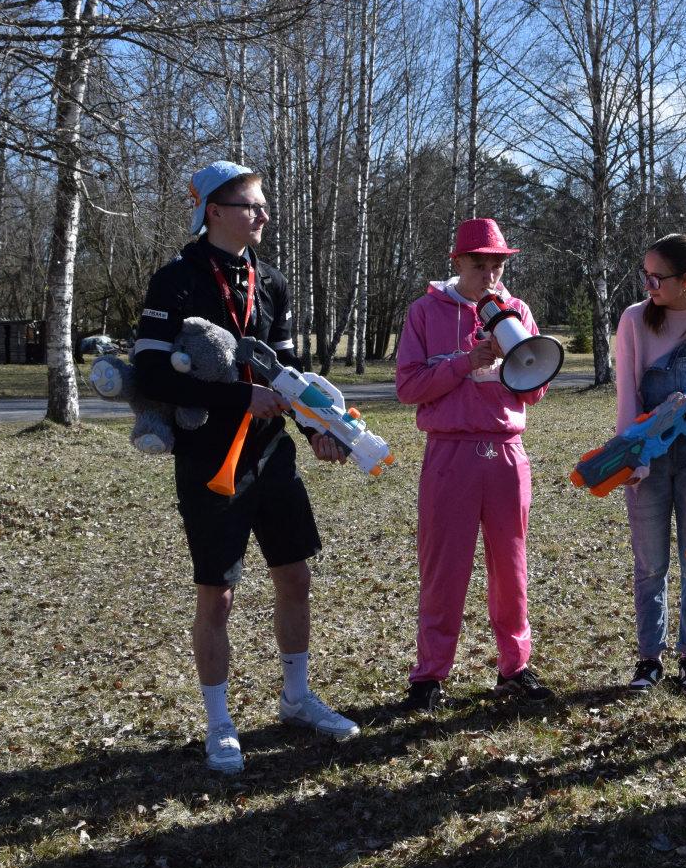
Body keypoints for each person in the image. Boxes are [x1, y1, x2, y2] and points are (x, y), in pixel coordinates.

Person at [133, 161, 359, 775]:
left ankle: (296, 698)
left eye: (263, 205)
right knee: (219, 595)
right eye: (251, 206)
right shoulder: (176, 280)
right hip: (209, 459)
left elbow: (286, 375)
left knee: (296, 577)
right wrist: (240, 397)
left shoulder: (271, 281)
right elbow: (150, 375)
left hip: (270, 453)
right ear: (214, 210)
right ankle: (219, 723)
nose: (263, 215)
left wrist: (318, 430)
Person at [396, 218, 552, 711]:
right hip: (450, 451)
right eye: (480, 263)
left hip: (506, 451)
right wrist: (466, 361)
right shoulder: (425, 311)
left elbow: (537, 390)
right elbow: (408, 387)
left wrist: (515, 360)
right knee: (444, 567)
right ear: (458, 262)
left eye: (497, 264)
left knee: (511, 567)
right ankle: (429, 675)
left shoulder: (516, 311)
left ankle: (515, 667)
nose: (490, 274)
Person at [615, 235, 686, 695]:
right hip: (648, 458)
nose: (649, 285)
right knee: (649, 563)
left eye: (657, 278)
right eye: (646, 276)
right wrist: (631, 457)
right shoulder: (634, 319)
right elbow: (627, 393)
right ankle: (649, 659)